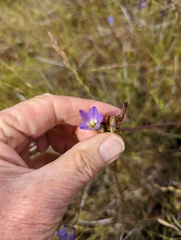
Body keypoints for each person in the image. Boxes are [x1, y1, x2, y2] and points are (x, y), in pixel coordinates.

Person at [0, 94, 125, 240]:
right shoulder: (89, 123)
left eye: (93, 123)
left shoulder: (91, 123)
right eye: (91, 123)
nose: (92, 124)